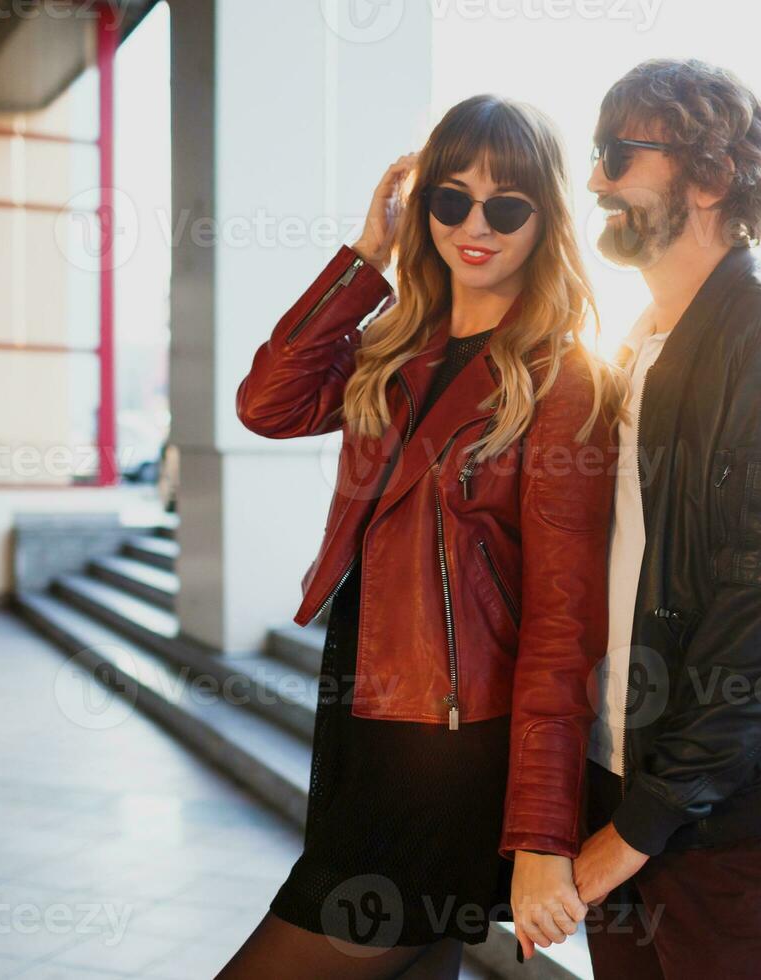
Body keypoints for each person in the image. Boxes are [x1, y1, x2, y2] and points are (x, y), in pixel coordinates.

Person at [224, 94, 625, 979]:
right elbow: (267, 406)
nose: (473, 227)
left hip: (448, 753)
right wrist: (365, 257)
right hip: (366, 712)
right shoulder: (394, 349)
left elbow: (562, 630)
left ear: (544, 219)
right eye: (451, 199)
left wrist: (539, 835)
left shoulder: (559, 379)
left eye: (505, 206)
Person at [571, 59, 761, 979]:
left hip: (727, 823)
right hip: (626, 787)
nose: (594, 179)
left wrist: (641, 825)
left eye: (619, 153)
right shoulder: (636, 346)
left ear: (709, 176)